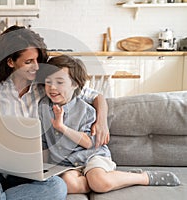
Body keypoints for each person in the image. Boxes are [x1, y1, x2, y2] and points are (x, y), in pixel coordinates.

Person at [0, 25, 109, 199]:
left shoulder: (48, 88)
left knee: (57, 188)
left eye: (38, 60)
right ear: (11, 62)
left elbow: (96, 96)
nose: (37, 67)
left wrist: (102, 122)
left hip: (22, 170)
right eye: (28, 62)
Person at [38, 55, 181, 194]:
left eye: (59, 82)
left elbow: (88, 143)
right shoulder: (42, 108)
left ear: (75, 84)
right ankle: (106, 179)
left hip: (91, 155)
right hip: (67, 163)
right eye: (48, 82)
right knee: (69, 185)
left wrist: (62, 127)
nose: (52, 87)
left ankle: (142, 177)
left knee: (100, 182)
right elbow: (44, 142)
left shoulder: (86, 110)